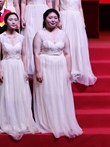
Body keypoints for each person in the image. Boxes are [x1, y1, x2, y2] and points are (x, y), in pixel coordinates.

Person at [33, 9, 83, 138]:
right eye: (50, 18)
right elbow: (36, 54)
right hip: (45, 66)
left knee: (60, 93)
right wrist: (38, 71)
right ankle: (47, 122)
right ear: (45, 19)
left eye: (55, 18)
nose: (53, 20)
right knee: (47, 93)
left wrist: (69, 71)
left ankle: (61, 121)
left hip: (60, 66)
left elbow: (67, 53)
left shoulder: (63, 34)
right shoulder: (39, 34)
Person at [0, 12, 38, 140]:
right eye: (10, 19)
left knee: (19, 94)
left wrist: (25, 70)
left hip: (18, 67)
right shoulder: (0, 37)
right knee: (6, 94)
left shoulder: (21, 37)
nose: (13, 22)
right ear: (5, 22)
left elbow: (24, 54)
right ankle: (7, 121)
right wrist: (0, 71)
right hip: (6, 66)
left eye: (15, 20)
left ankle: (20, 121)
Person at [54, 0, 96, 86]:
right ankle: (68, 69)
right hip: (65, 17)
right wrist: (58, 20)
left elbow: (79, 7)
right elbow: (56, 6)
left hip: (76, 18)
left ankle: (78, 68)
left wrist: (82, 21)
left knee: (78, 43)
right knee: (68, 42)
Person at [20, 0, 51, 77]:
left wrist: (52, 15)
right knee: (30, 38)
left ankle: (45, 66)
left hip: (43, 12)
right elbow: (23, 2)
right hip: (30, 13)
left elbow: (49, 1)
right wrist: (22, 17)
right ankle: (30, 68)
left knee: (44, 38)